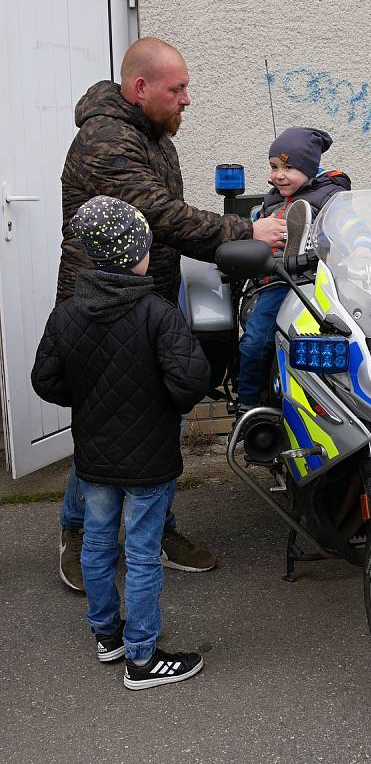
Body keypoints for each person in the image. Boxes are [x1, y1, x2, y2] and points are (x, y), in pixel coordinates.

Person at [56, 37, 287, 590]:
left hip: (149, 303)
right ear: (141, 89)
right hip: (104, 310)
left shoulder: (154, 135)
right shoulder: (107, 139)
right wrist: (244, 231)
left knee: (154, 425)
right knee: (109, 426)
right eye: (177, 89)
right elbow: (160, 215)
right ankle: (77, 532)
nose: (187, 99)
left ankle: (156, 527)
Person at [32, 196, 210, 690]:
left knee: (96, 542)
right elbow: (190, 381)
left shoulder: (67, 315)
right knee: (143, 553)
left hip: (94, 455)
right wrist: (164, 402)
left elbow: (45, 380)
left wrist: (87, 398)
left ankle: (106, 636)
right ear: (141, 253)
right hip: (149, 457)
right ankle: (142, 658)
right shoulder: (159, 313)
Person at [236, 127, 352, 412]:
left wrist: (359, 248)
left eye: (289, 167)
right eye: (275, 167)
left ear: (310, 168)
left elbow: (353, 228)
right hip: (278, 280)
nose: (279, 175)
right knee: (255, 341)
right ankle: (249, 405)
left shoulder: (331, 197)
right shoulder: (272, 201)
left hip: (319, 281)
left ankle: (339, 402)